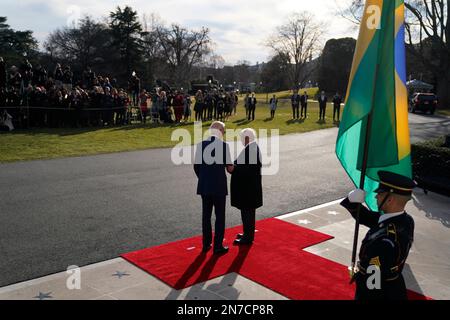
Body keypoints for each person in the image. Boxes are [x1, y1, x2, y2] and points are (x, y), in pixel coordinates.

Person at [341, 171, 416, 300]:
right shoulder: (405, 220)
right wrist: (351, 201)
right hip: (393, 287)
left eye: (380, 194)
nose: (376, 197)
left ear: (390, 199)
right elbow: (368, 218)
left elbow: (373, 285)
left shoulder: (384, 241)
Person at [194, 121, 234, 255]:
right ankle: (218, 245)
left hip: (205, 186)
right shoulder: (224, 146)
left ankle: (206, 244)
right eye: (223, 131)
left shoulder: (201, 145)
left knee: (206, 216)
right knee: (219, 216)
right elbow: (230, 168)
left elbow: (196, 167)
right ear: (220, 131)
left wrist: (204, 178)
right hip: (218, 186)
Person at [230, 128, 263, 245]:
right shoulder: (251, 148)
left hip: (248, 189)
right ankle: (247, 234)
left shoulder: (251, 150)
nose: (241, 141)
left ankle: (248, 238)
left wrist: (233, 167)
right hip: (250, 188)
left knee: (247, 212)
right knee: (248, 212)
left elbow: (247, 170)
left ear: (247, 138)